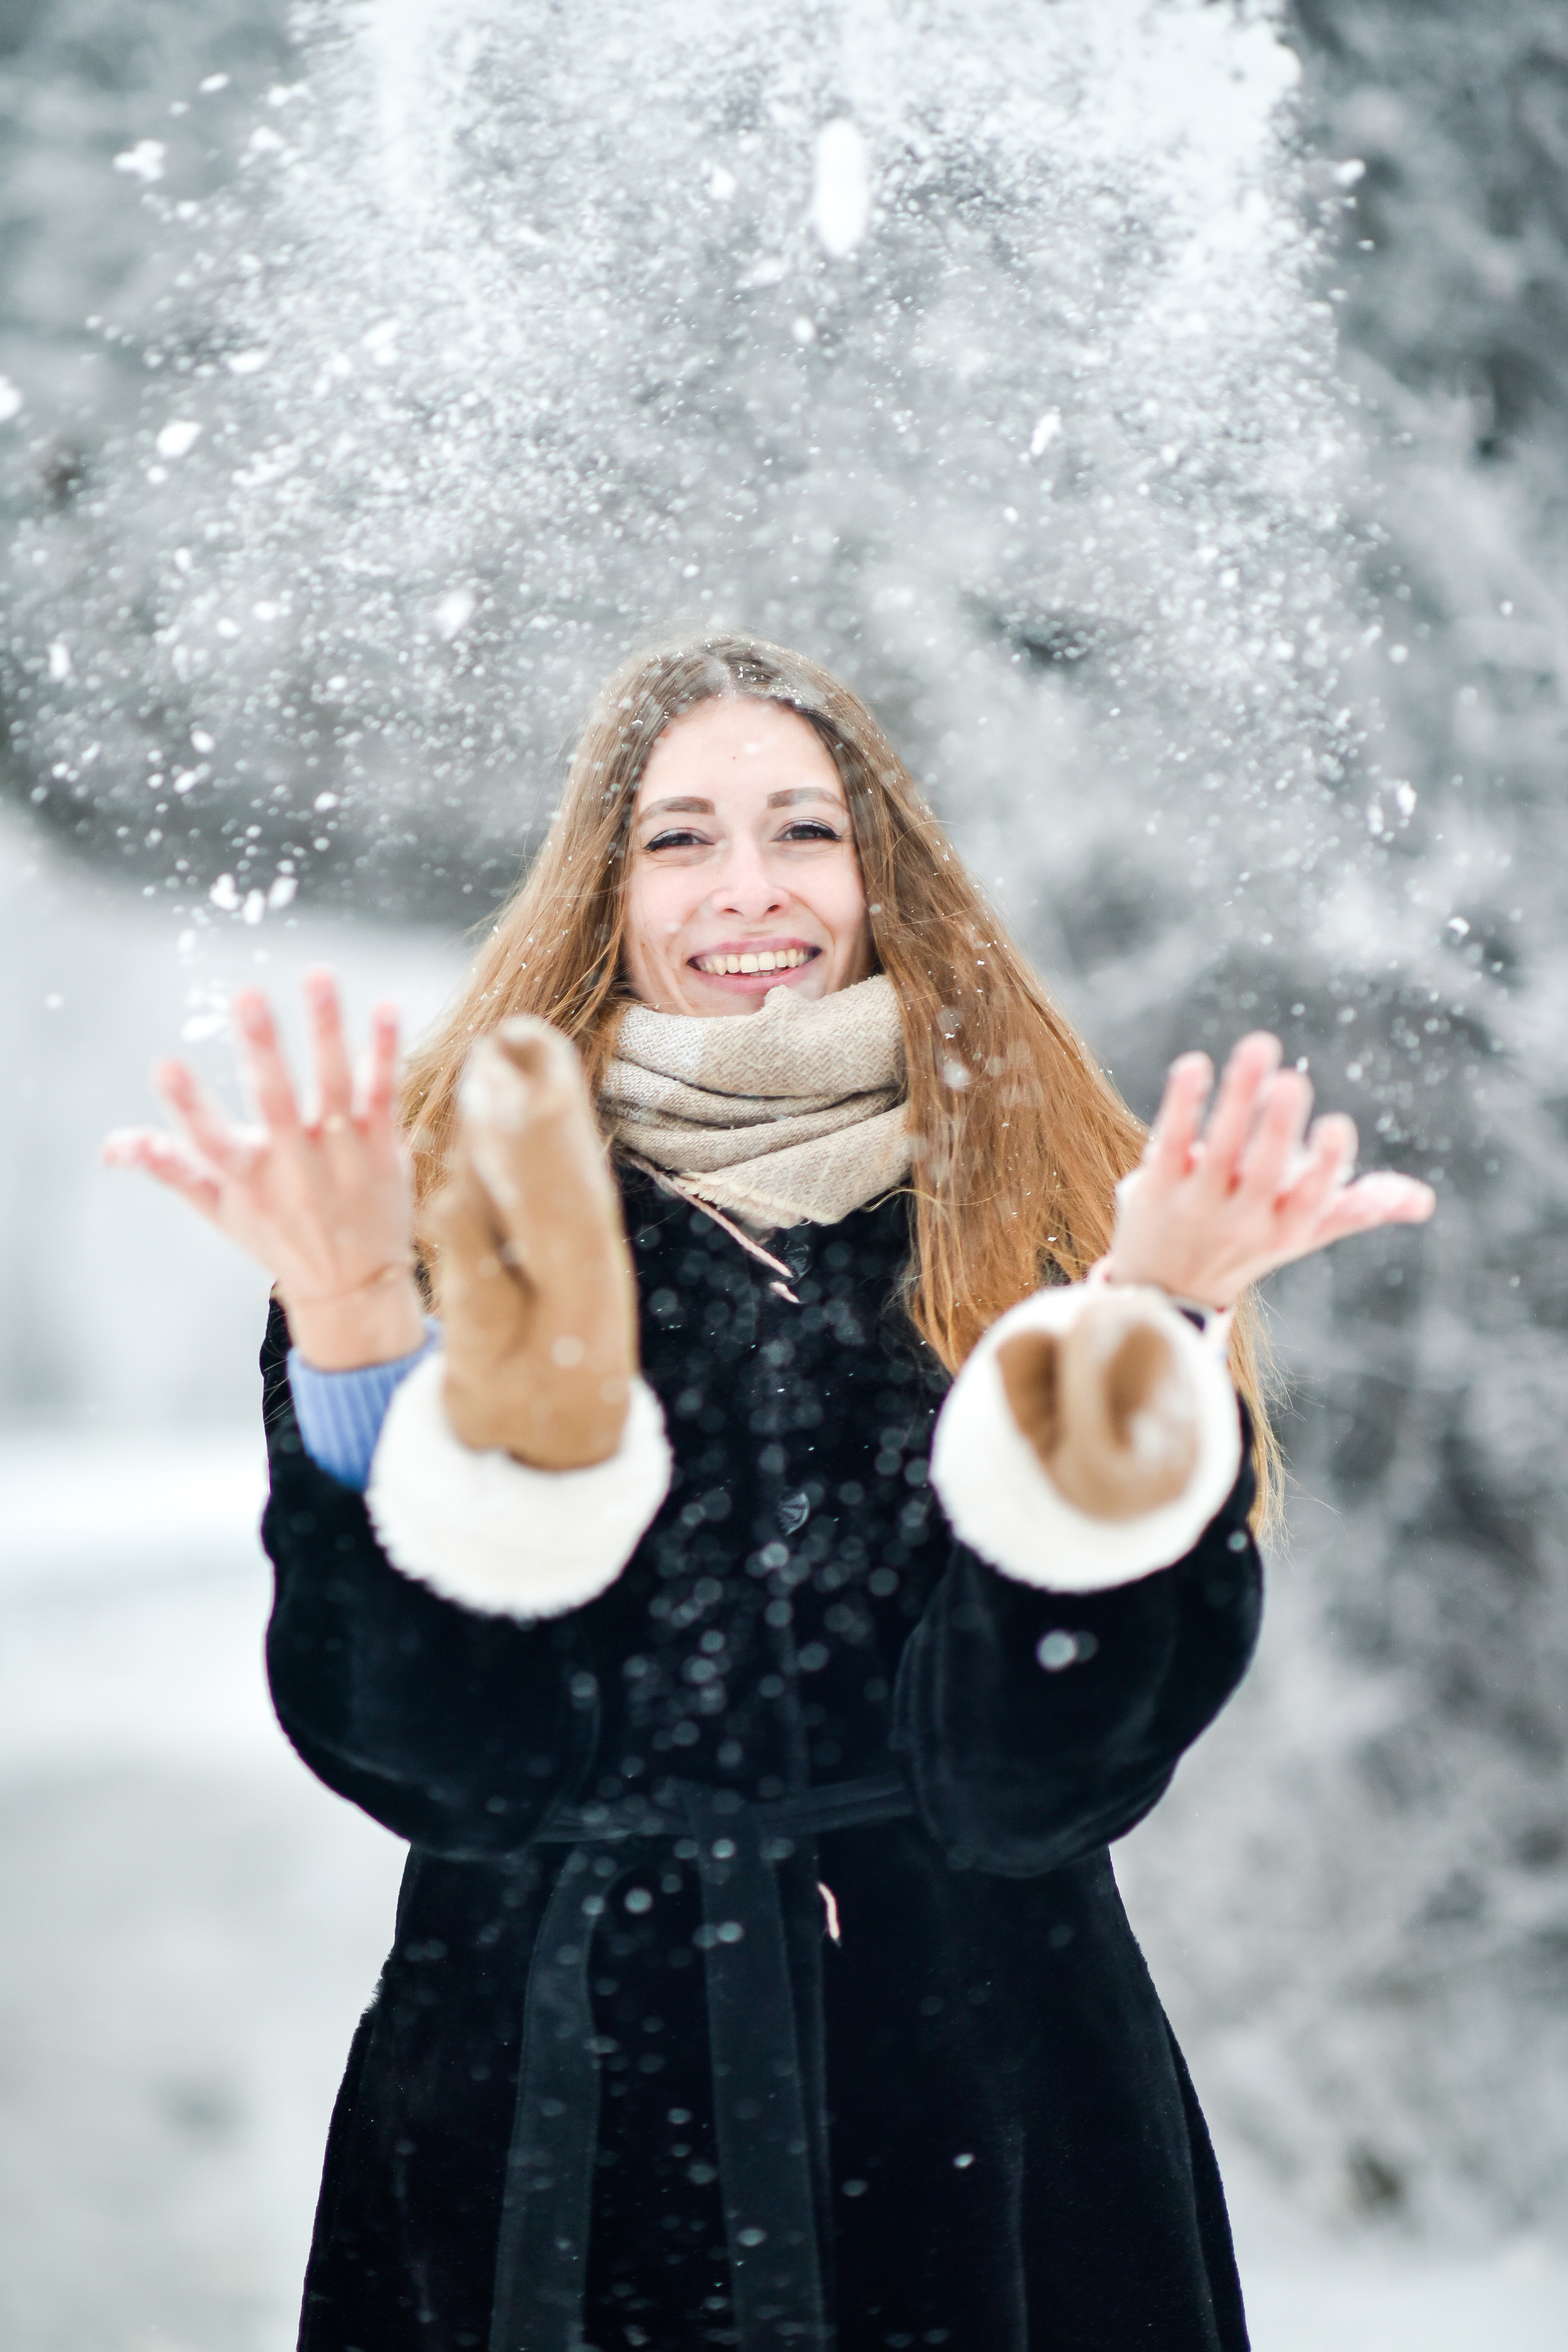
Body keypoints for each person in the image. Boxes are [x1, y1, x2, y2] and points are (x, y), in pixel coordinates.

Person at [107, 634, 1433, 2352]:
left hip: (987, 2111)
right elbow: (428, 1760)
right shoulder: (440, 1218)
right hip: (554, 2115)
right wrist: (355, 1321)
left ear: (887, 878)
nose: (749, 887)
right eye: (680, 839)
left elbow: (1042, 1780)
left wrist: (1153, 1326)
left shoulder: (1051, 1206)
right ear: (605, 891)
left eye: (807, 830)